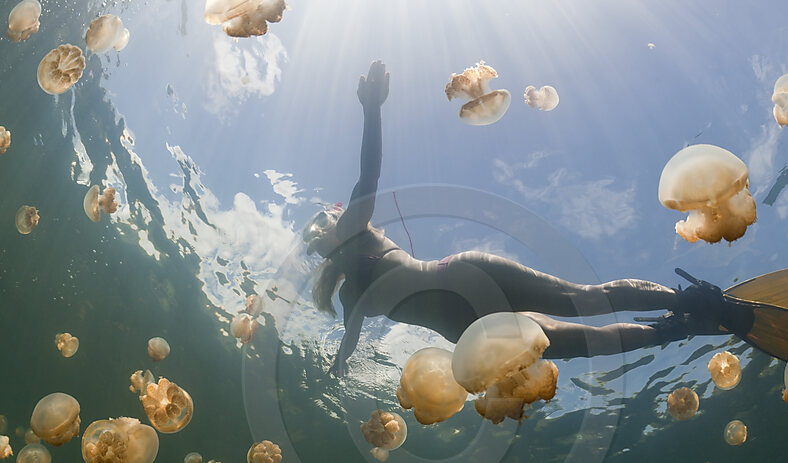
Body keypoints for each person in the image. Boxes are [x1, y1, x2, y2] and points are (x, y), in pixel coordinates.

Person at [308, 61, 731, 375]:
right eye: (317, 226)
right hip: (471, 331)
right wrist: (337, 367)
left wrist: (371, 109)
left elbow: (369, 174)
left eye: (322, 218)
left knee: (582, 301)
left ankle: (688, 301)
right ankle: (673, 329)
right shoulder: (349, 299)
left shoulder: (354, 233)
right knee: (581, 342)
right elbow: (348, 343)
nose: (321, 225)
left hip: (464, 279)